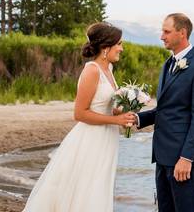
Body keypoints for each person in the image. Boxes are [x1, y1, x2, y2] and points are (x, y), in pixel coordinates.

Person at [23, 22, 138, 212]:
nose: (121, 49)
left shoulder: (109, 70)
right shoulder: (92, 70)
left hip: (107, 139)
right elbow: (80, 113)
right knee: (87, 187)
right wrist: (115, 120)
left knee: (98, 185)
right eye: (119, 44)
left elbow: (105, 106)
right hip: (91, 139)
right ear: (105, 47)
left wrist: (124, 113)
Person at [137, 13, 194, 212]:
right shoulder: (168, 64)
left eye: (166, 31)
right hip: (162, 154)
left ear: (182, 33)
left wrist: (187, 158)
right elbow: (165, 110)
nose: (162, 36)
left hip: (182, 158)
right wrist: (137, 119)